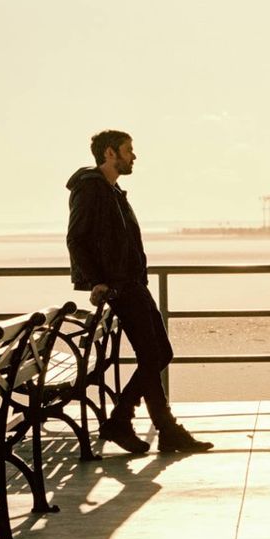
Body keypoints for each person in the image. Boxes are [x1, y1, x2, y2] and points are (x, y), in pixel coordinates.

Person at [66, 129, 212, 454]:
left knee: (160, 353)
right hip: (119, 286)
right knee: (154, 355)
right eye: (128, 150)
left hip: (132, 282)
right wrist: (96, 281)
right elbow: (76, 238)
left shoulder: (112, 191)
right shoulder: (90, 189)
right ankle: (138, 423)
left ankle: (151, 427)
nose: (134, 156)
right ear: (110, 153)